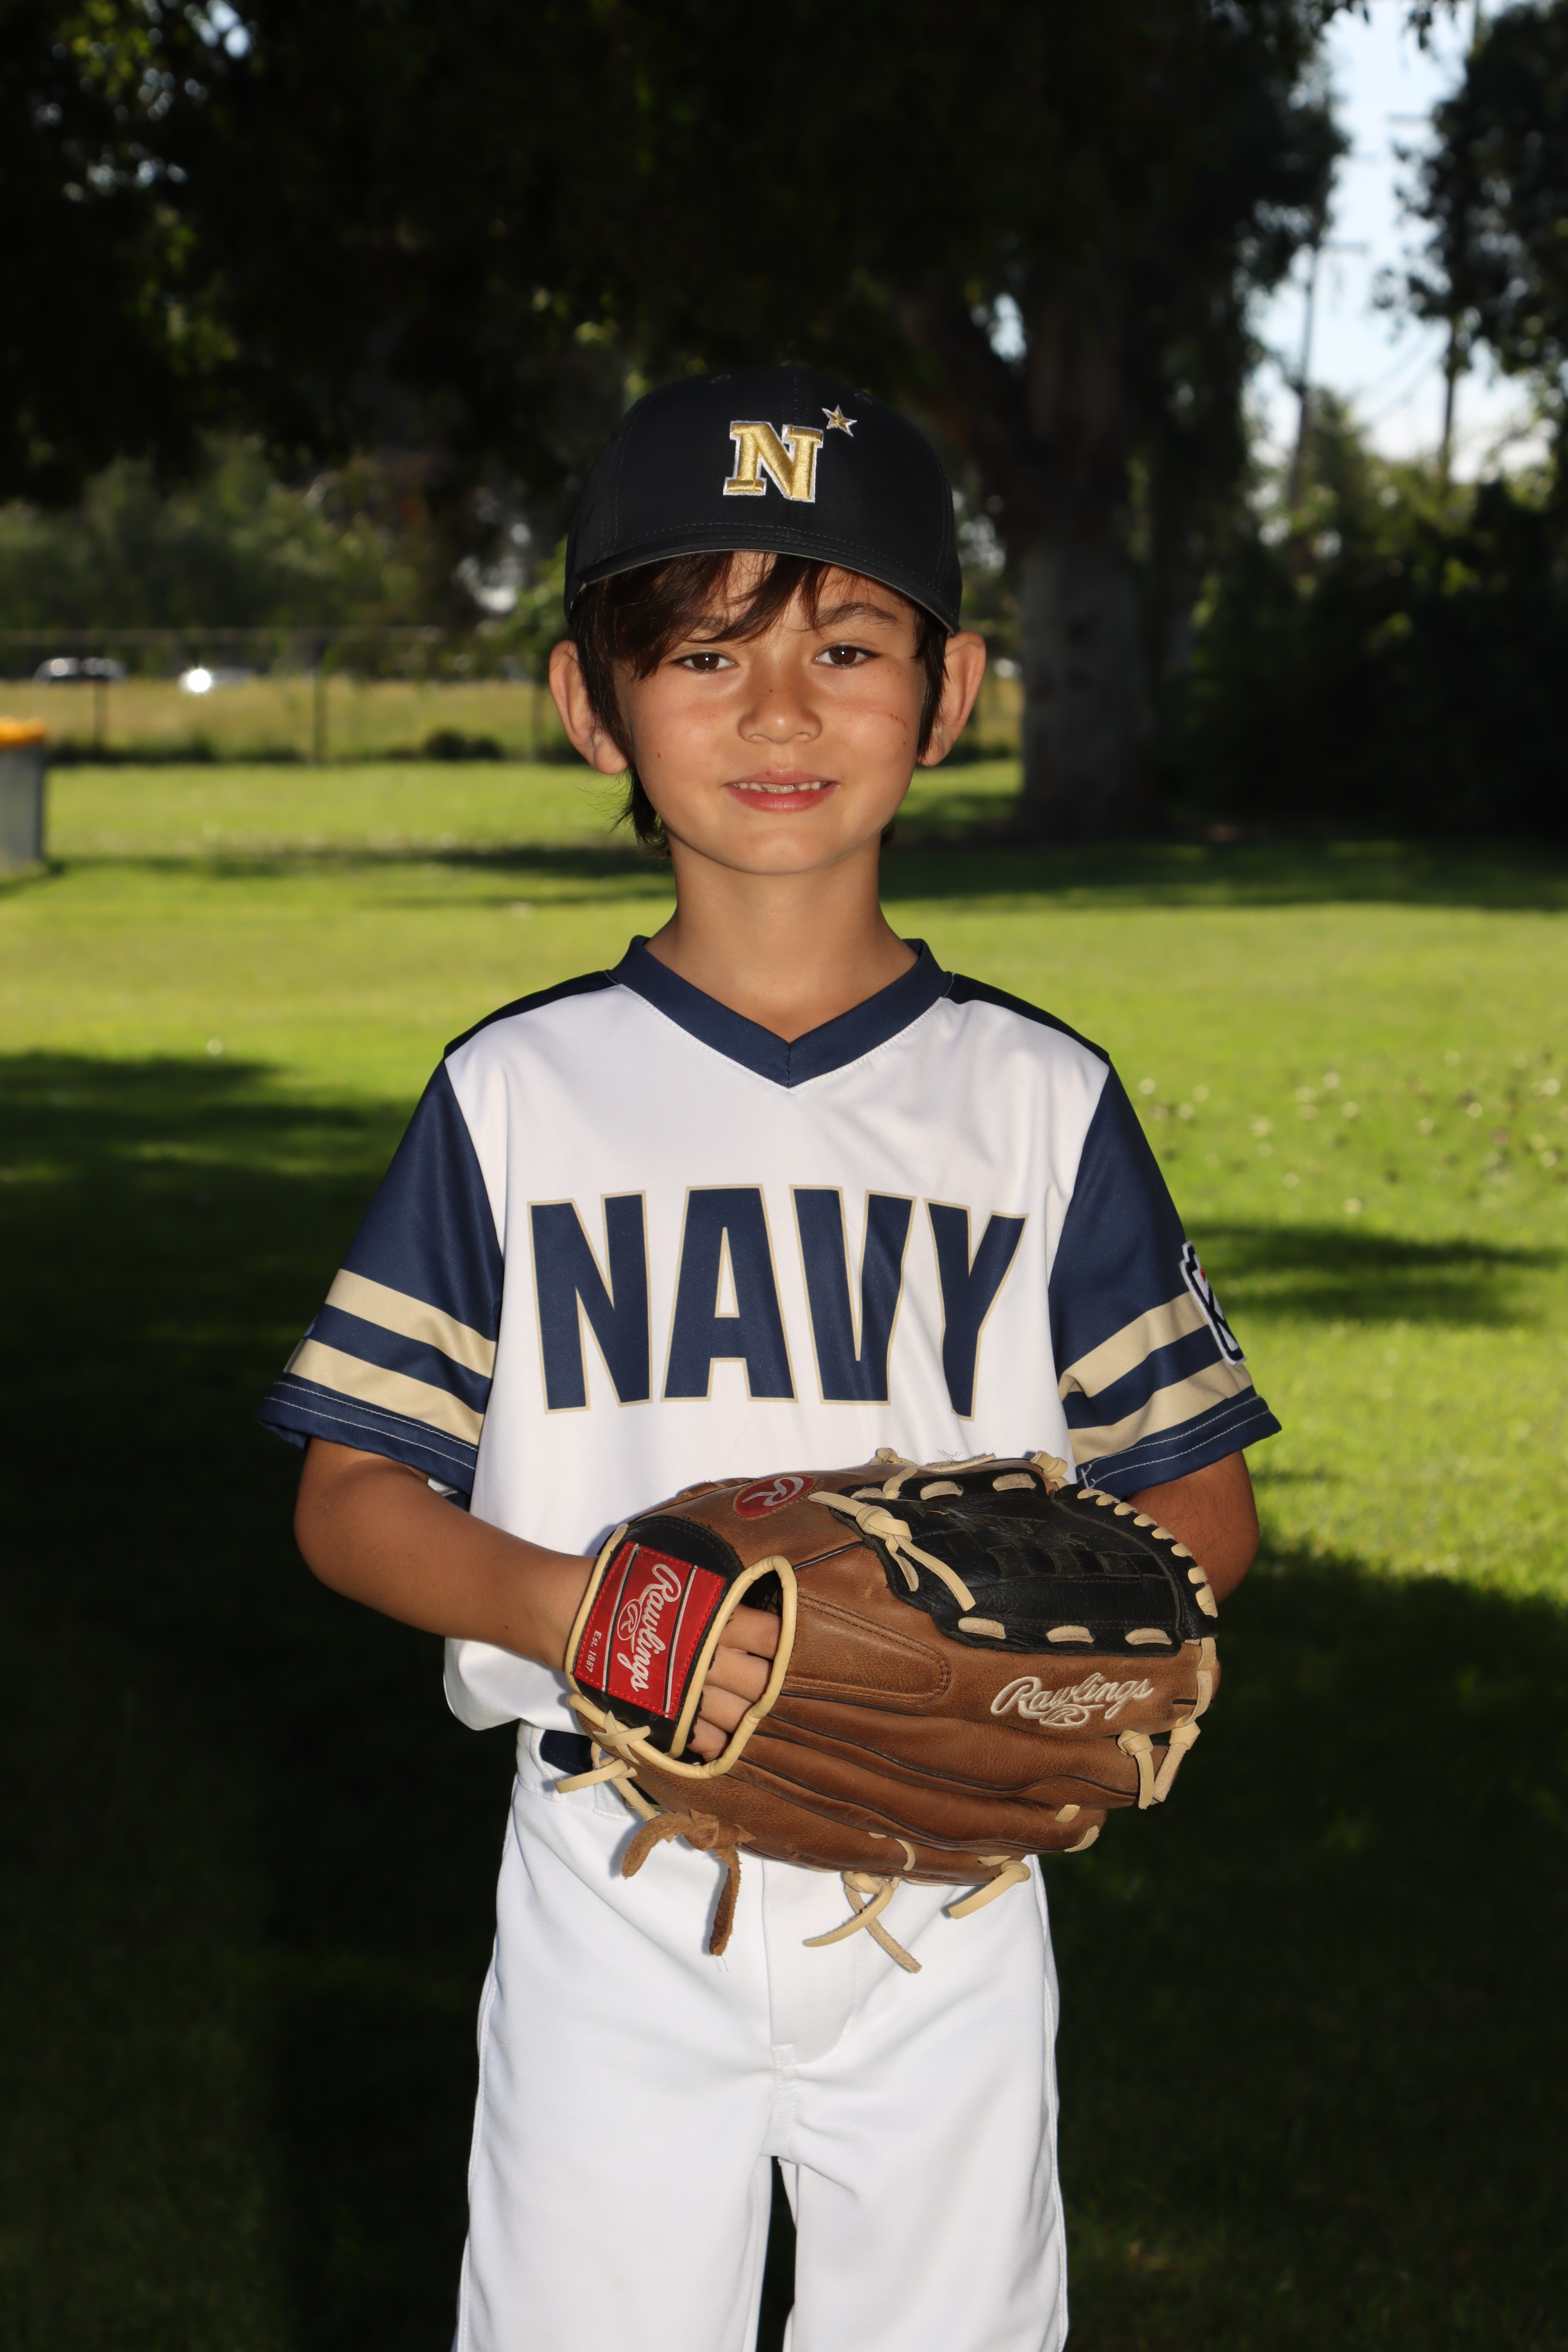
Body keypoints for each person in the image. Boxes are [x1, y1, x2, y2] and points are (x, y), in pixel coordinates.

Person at [260, 365, 1279, 2352]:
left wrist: (1016, 1684)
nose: (781, 711)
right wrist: (592, 1614)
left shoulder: (1037, 1101)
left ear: (952, 690)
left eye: (848, 645)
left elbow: (1197, 1506)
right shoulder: (518, 1095)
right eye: (704, 651)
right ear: (591, 706)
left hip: (946, 1870)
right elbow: (350, 1497)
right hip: (611, 1859)